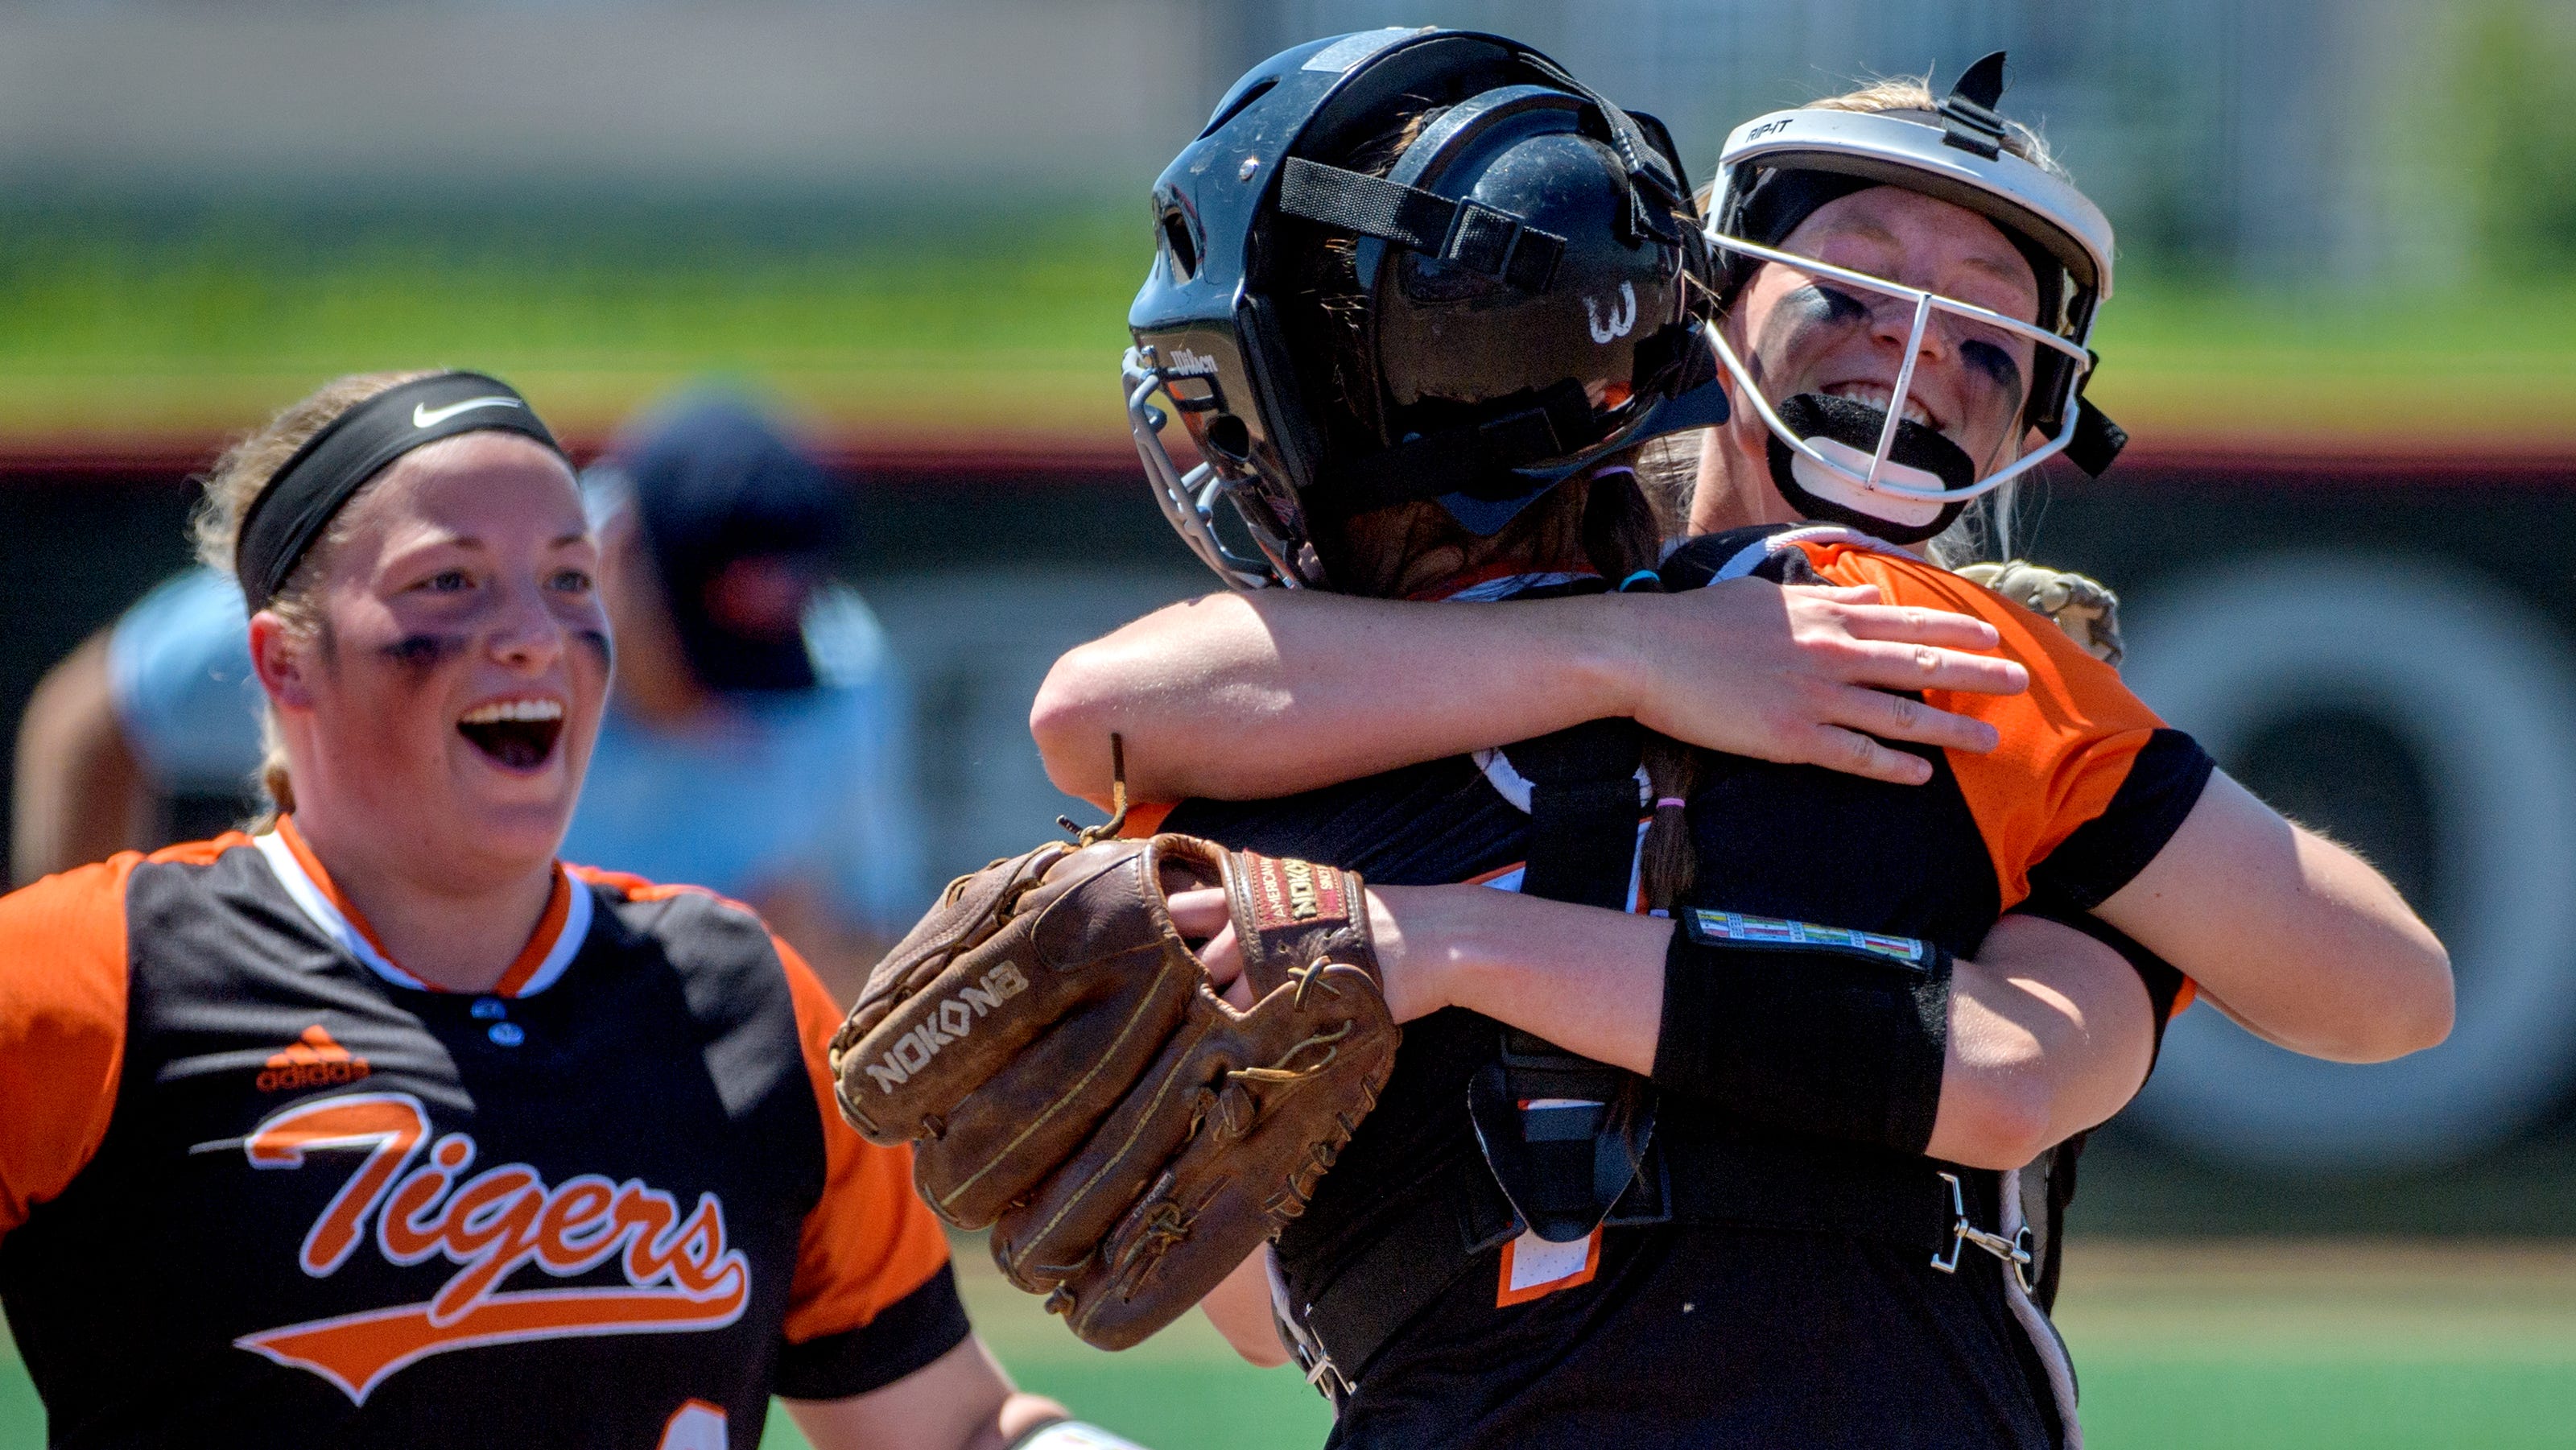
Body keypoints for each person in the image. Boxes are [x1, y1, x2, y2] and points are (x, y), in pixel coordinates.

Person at [1027, 31, 2449, 1448]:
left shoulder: (1944, 656)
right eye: (1859, 284)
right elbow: (1097, 715)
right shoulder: (1407, 665)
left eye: (1983, 337)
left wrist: (1442, 939)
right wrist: (1640, 656)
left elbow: (2358, 998)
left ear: (2040, 404)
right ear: (1708, 299)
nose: (1916, 351)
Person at [0, 371, 1135, 1450]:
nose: (533, 633)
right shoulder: (90, 982)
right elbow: (89, 716)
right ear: (284, 662)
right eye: (449, 581)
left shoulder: (739, 996)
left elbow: (952, 1426)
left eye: (567, 579)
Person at [10, 394, 923, 998]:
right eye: (698, 651)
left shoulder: (837, 679)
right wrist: (89, 991)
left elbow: (845, 937)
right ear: (615, 553)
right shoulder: (440, 579)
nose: (724, 704)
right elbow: (97, 712)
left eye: (752, 663)